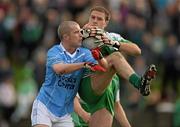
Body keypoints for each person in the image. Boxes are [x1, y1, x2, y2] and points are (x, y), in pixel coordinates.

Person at [74, 6, 157, 127]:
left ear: (106, 22)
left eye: (99, 19)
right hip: (84, 86)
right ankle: (139, 83)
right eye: (93, 17)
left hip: (102, 91)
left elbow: (136, 50)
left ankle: (140, 84)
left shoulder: (112, 37)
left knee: (114, 69)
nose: (95, 21)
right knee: (115, 57)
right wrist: (81, 36)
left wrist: (112, 43)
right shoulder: (80, 34)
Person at [31, 21, 107, 127]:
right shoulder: (54, 52)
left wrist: (99, 56)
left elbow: (104, 67)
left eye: (81, 31)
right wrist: (83, 64)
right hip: (45, 107)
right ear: (66, 37)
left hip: (64, 113)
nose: (80, 35)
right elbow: (59, 69)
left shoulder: (84, 53)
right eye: (76, 32)